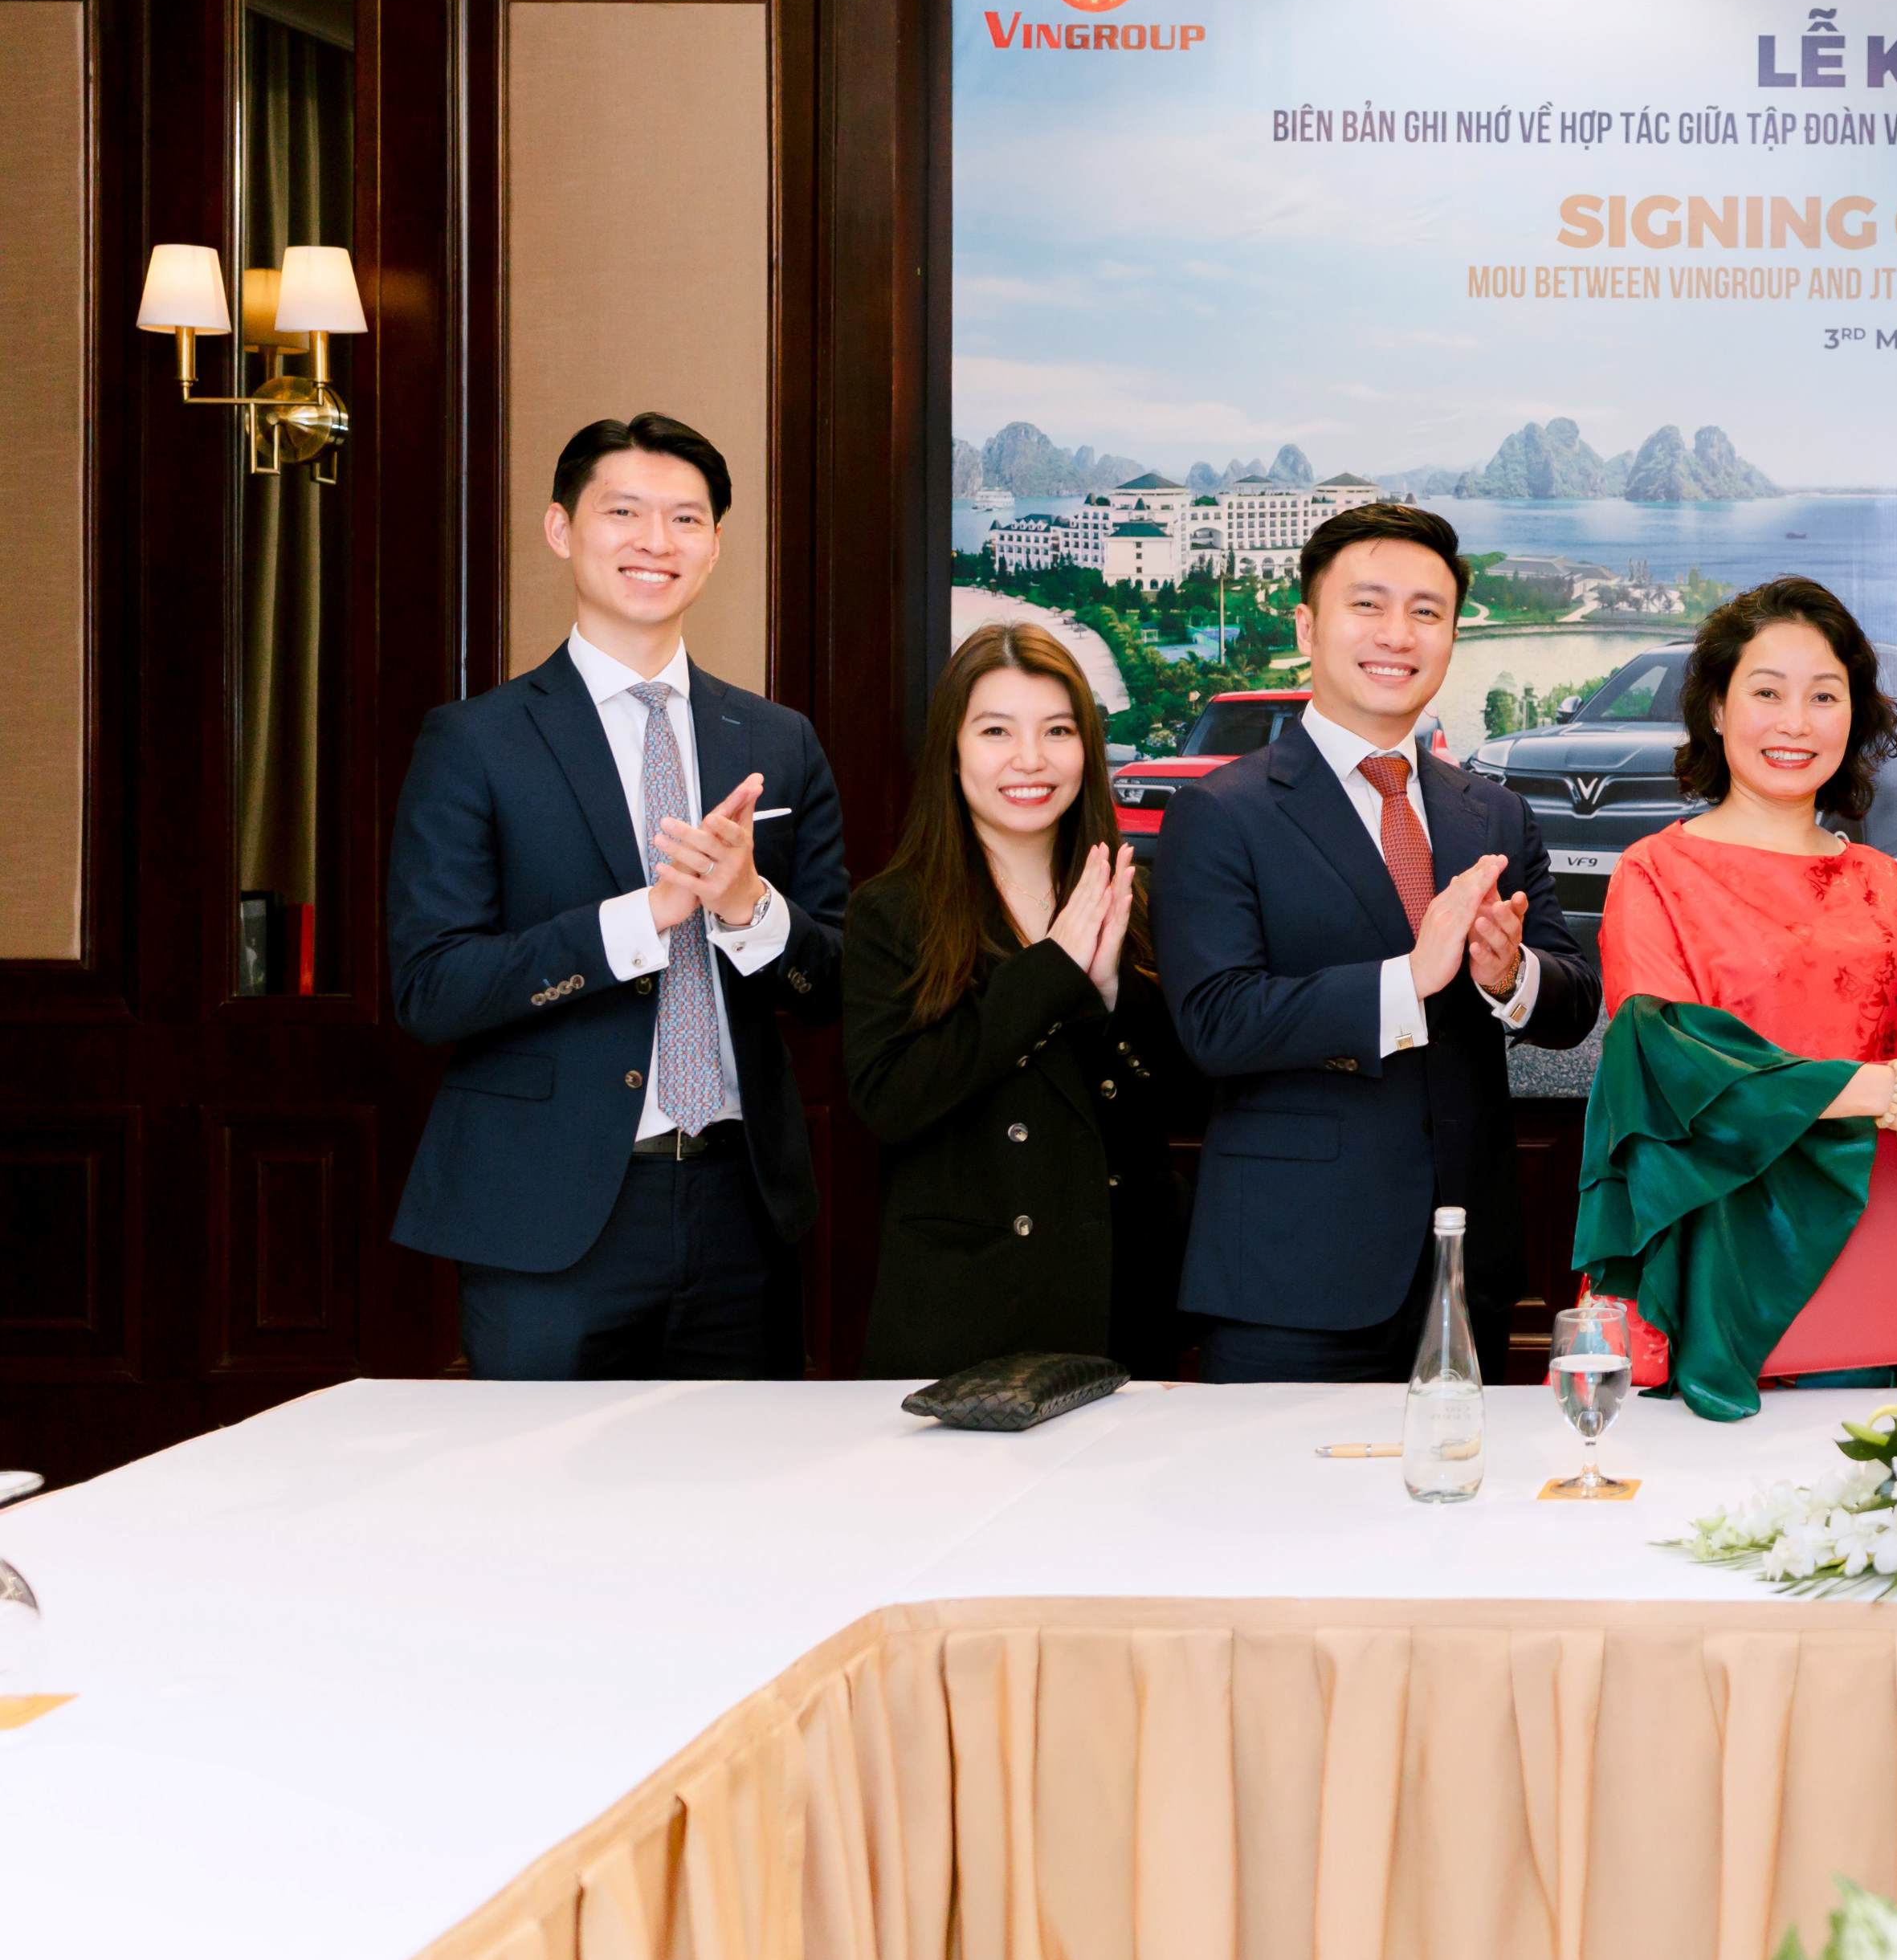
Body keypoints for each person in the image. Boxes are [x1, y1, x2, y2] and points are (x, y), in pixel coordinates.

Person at [387, 413, 849, 1377]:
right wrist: (637, 922)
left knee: (737, 1511)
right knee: (541, 1513)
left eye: (686, 520)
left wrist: (749, 912)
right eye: (624, 512)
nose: (655, 542)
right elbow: (432, 988)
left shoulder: (776, 741)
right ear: (562, 529)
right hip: (548, 1215)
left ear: (716, 546)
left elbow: (837, 987)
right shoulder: (476, 741)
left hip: (741, 1210)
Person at [1154, 502, 1598, 1379]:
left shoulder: (1493, 811)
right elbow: (1214, 1021)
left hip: (1467, 1263)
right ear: (1307, 625)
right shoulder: (1221, 810)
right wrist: (1407, 980)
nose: (1398, 634)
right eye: (1369, 605)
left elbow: (1572, 1002)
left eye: (1426, 613)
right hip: (1290, 1270)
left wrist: (1510, 976)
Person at [1570, 579, 1897, 1416]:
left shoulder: (1885, 887)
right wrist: (1892, 1093)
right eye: (1766, 693)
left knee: (1849, 1513)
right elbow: (1675, 1069)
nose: (1795, 723)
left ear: (1854, 718)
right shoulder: (1654, 875)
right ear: (1717, 710)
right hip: (1704, 1258)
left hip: (1855, 1256)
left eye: (1823, 696)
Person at [847, 624, 1202, 1381]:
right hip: (968, 1304)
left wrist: (1108, 992)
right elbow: (890, 1102)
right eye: (997, 730)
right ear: (952, 748)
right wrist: (1052, 972)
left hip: (1120, 1296)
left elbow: (1187, 1095)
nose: (1031, 760)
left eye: (1058, 731)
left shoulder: (1134, 901)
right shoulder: (892, 911)